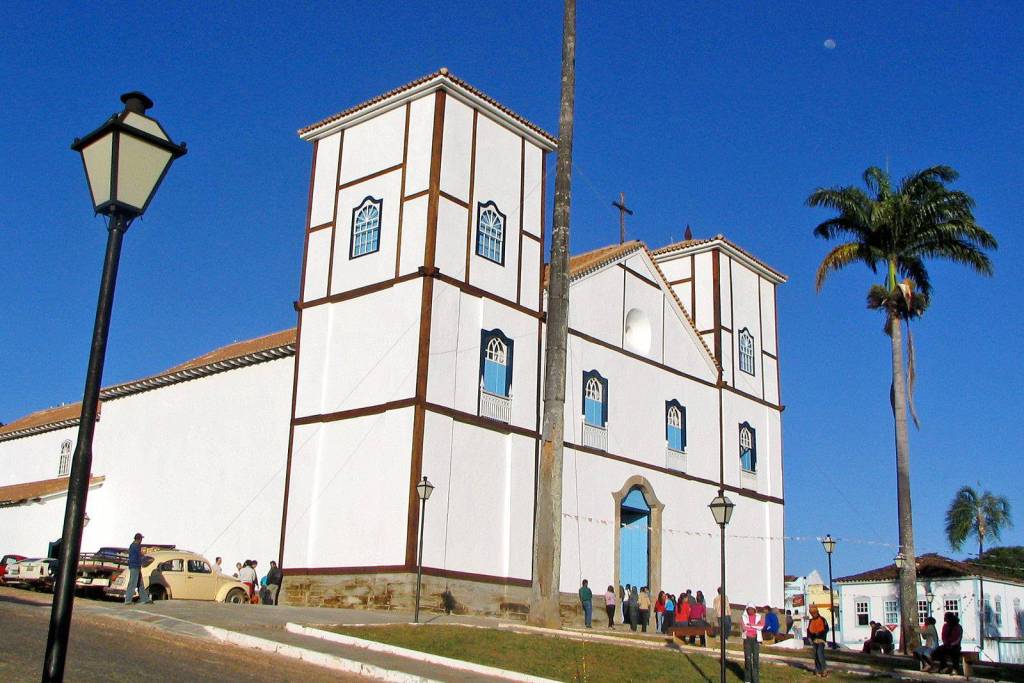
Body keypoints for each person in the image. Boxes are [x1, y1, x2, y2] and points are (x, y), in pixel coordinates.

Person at [124, 532, 153, 605]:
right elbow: (138, 556)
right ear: (139, 539)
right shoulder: (135, 546)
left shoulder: (133, 545)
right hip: (135, 567)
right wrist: (145, 559)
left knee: (140, 584)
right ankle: (128, 600)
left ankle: (145, 599)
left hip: (136, 566)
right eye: (141, 539)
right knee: (132, 583)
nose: (141, 540)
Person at [741, 604, 764, 683]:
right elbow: (744, 627)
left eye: (752, 609)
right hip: (747, 639)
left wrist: (751, 625)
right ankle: (747, 680)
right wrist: (754, 626)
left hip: (756, 640)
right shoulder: (744, 617)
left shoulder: (759, 617)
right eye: (748, 609)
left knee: (755, 659)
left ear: (754, 610)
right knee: (747, 659)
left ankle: (755, 680)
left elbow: (761, 626)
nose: (750, 611)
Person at [807, 605, 830, 678]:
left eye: (814, 613)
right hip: (814, 640)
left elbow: (826, 629)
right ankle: (817, 670)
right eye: (812, 613)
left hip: (821, 640)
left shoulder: (822, 619)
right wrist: (810, 638)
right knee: (816, 656)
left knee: (819, 653)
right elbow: (809, 630)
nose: (813, 614)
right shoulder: (811, 621)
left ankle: (824, 670)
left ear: (817, 612)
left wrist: (820, 634)